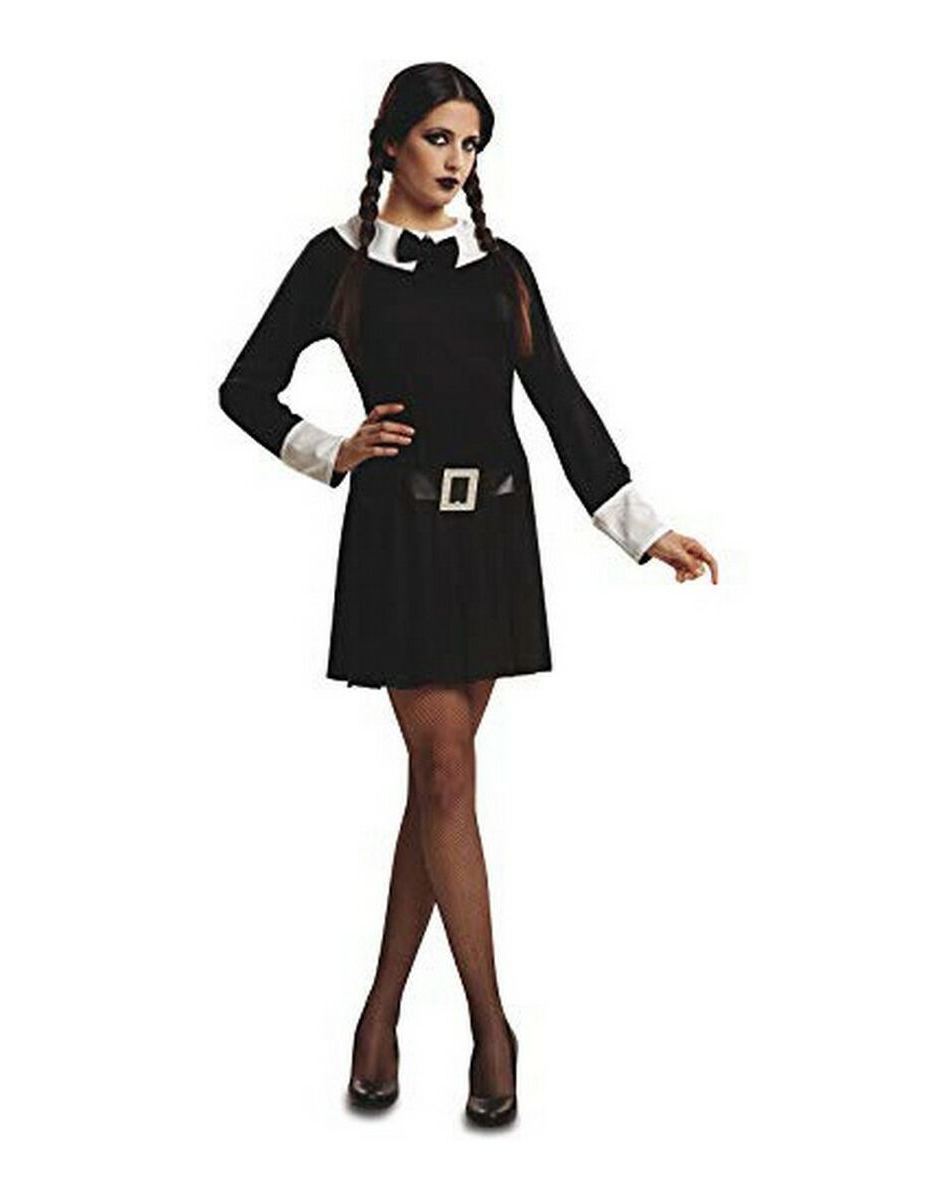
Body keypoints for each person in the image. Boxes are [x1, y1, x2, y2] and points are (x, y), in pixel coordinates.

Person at [219, 62, 718, 1128]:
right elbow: (244, 388)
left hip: (492, 537)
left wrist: (644, 531)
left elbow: (563, 404)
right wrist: (332, 449)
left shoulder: (503, 268)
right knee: (446, 771)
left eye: (472, 143)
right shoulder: (338, 261)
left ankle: (379, 1011)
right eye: (440, 137)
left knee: (436, 785)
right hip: (397, 540)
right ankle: (494, 1025)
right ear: (391, 142)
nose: (457, 160)